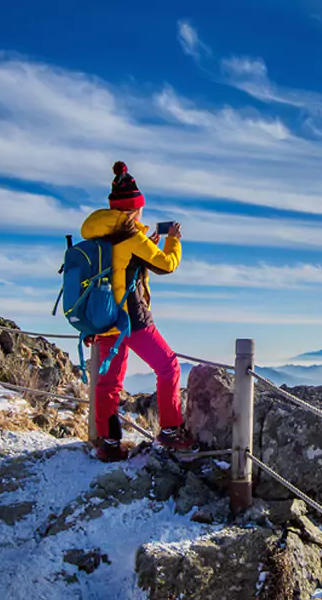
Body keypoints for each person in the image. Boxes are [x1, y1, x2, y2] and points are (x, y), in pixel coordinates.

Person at [81, 161, 198, 461]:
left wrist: (148, 245)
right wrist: (173, 241)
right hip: (131, 318)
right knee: (168, 366)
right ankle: (171, 430)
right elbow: (166, 265)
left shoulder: (99, 235)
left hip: (103, 316)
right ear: (134, 210)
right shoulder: (132, 237)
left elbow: (122, 264)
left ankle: (107, 444)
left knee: (108, 382)